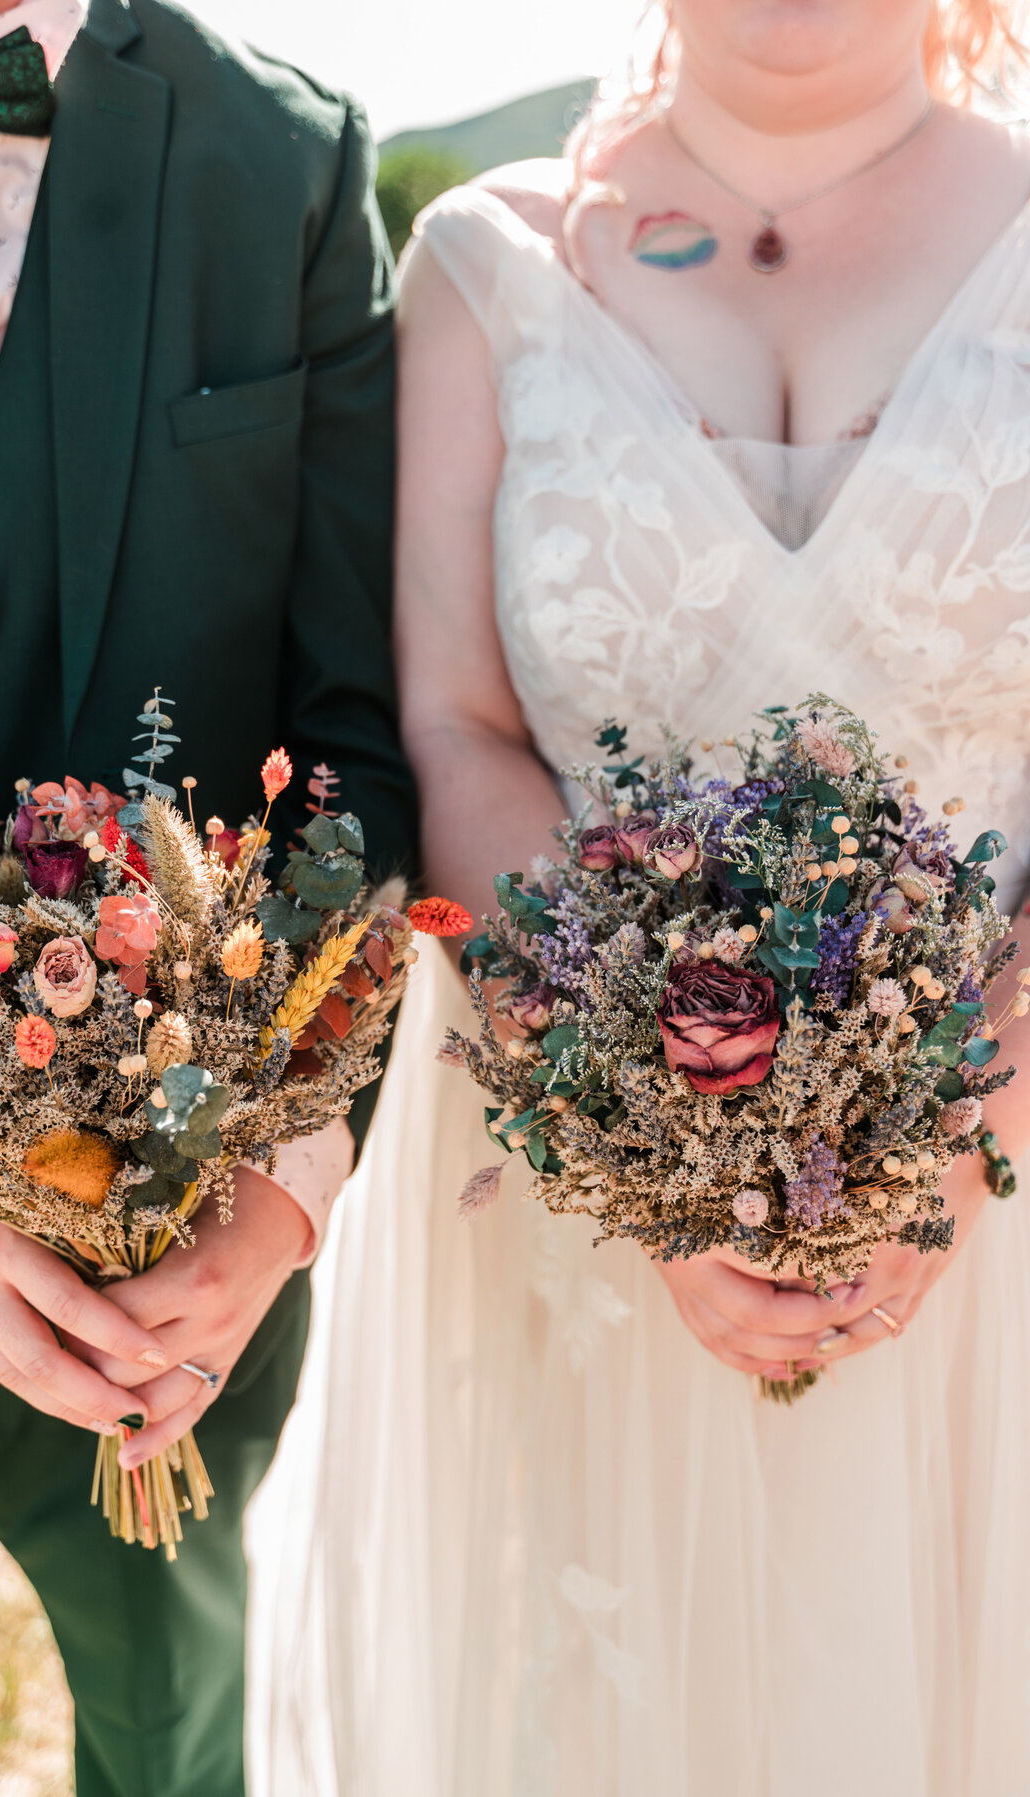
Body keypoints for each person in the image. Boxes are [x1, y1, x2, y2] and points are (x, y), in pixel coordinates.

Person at [248, 4, 1030, 1793]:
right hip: (579, 1233)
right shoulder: (484, 263)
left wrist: (969, 1114)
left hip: (1007, 1207)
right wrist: (642, 1139)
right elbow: (451, 723)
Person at [0, 0, 416, 1790]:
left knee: (171, 1758)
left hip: (160, 1277)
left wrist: (284, 1196)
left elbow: (360, 743)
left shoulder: (286, 159)